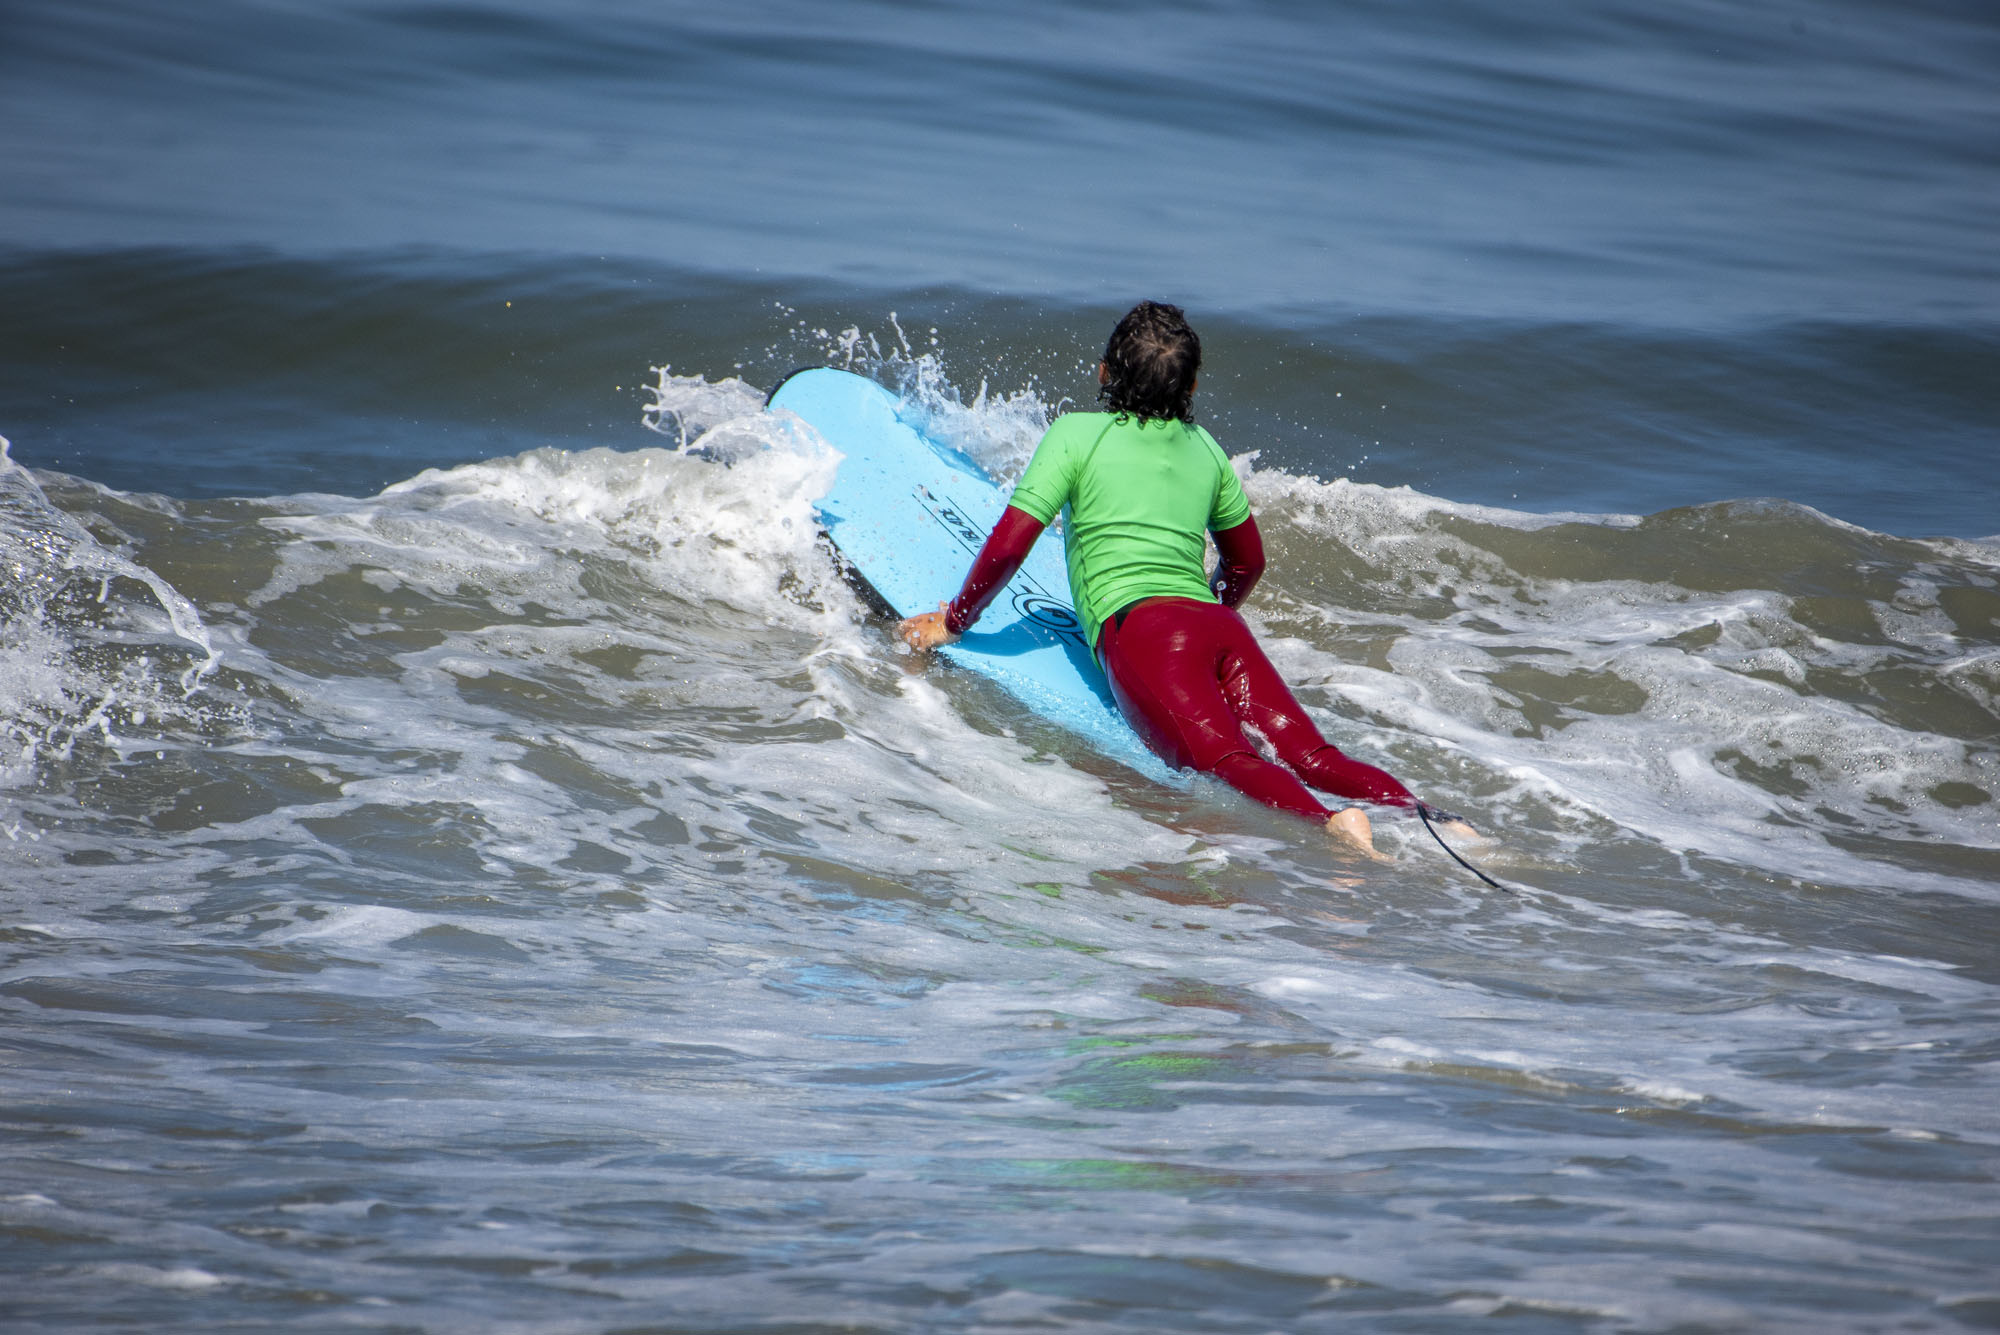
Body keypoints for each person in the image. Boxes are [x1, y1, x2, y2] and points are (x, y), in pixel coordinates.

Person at [899, 300, 1442, 857]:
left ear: (1106, 371)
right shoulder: (1206, 449)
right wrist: (1208, 610)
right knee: (1315, 757)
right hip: (1217, 625)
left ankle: (1330, 823)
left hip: (1144, 632)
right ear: (1192, 386)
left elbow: (1011, 544)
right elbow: (1246, 562)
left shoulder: (1075, 435)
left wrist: (957, 620)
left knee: (1224, 760)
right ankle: (1441, 820)